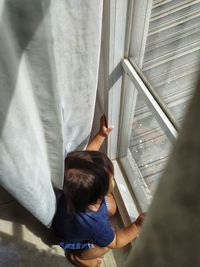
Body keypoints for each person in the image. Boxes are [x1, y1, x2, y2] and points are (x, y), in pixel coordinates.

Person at [52, 115, 145, 267]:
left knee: (112, 206)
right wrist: (137, 225)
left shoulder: (72, 187)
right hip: (73, 240)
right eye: (112, 178)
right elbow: (115, 241)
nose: (114, 179)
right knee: (103, 246)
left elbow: (88, 157)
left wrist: (101, 135)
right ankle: (80, 258)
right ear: (98, 194)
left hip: (66, 221)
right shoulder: (96, 225)